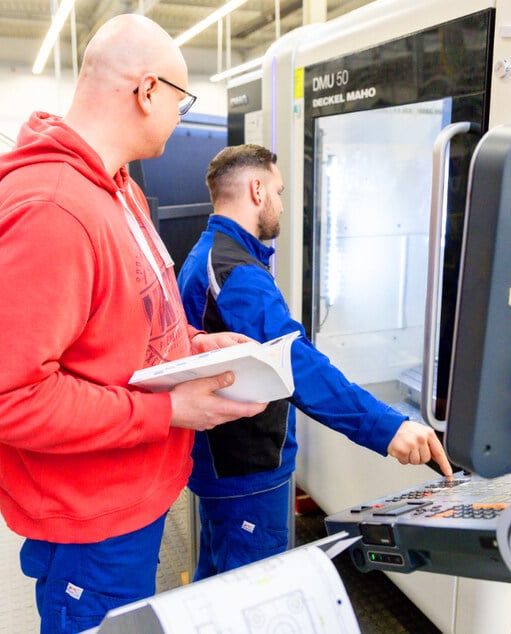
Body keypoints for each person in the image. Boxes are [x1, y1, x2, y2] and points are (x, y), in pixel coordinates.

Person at [0, 16, 267, 633]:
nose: (183, 114)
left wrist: (194, 346)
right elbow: (2, 397)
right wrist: (166, 412)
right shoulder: (50, 208)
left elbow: (122, 322)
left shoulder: (115, 187)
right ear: (147, 90)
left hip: (130, 496)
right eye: (182, 98)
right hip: (90, 521)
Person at [177, 144, 454, 580]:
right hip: (246, 471)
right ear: (256, 189)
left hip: (223, 466)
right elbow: (296, 364)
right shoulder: (236, 271)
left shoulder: (210, 253)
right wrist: (389, 427)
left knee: (216, 589)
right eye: (280, 191)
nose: (282, 206)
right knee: (252, 598)